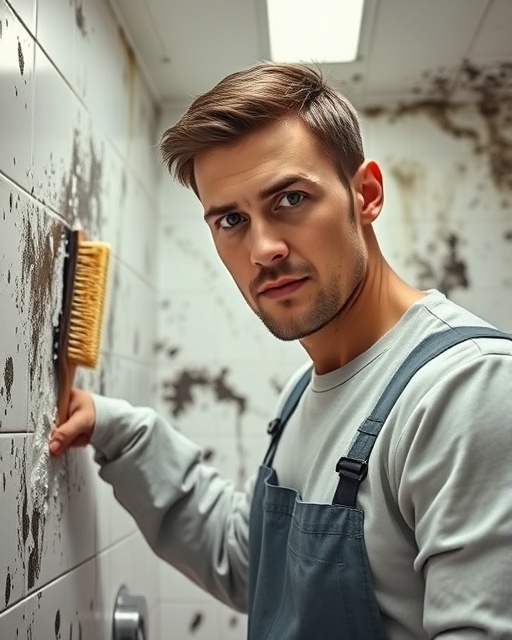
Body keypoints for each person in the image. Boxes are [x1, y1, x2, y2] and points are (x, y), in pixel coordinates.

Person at [49, 63, 512, 639]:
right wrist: (122, 431)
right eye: (232, 220)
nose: (263, 248)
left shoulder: (467, 391)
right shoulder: (305, 391)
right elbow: (253, 566)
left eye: (291, 198)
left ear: (364, 195)